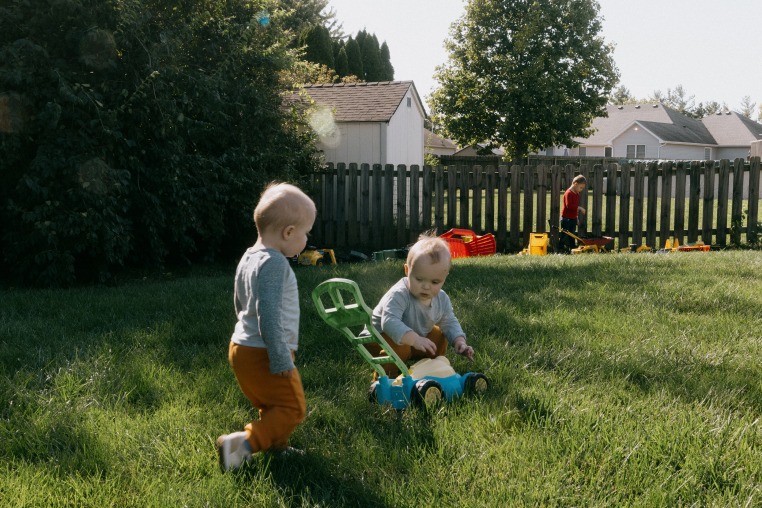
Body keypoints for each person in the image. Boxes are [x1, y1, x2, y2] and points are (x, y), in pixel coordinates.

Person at [216, 182, 316, 472]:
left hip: (241, 348)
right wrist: (280, 355)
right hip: (264, 351)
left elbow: (240, 301)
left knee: (273, 404)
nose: (307, 239)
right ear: (289, 233)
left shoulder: (249, 256)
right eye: (306, 233)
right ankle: (241, 444)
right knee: (292, 407)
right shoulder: (274, 264)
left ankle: (277, 446)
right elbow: (268, 314)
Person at [365, 234, 474, 378]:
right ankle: (384, 378)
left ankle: (433, 367)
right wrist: (415, 339)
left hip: (414, 338)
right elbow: (389, 322)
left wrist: (459, 341)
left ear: (444, 277)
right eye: (419, 279)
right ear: (407, 271)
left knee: (440, 335)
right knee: (402, 347)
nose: (426, 286)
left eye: (435, 282)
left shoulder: (441, 298)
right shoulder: (399, 294)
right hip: (380, 338)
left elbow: (449, 321)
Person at [559, 174, 587, 253]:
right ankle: (560, 249)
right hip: (566, 218)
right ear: (575, 184)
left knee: (572, 235)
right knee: (564, 235)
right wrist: (580, 208)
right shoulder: (568, 193)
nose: (581, 190)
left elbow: (574, 208)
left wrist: (576, 217)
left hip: (573, 218)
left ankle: (572, 249)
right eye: (580, 187)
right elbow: (569, 206)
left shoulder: (577, 194)